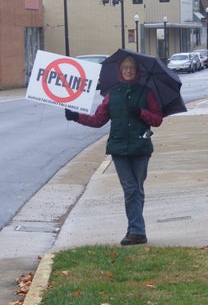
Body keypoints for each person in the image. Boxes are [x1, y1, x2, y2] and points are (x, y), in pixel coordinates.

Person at [64, 55, 163, 245]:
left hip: (141, 147)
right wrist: (76, 116)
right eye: (125, 67)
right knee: (131, 188)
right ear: (120, 70)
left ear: (137, 71)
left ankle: (135, 230)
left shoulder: (146, 93)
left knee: (137, 189)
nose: (128, 71)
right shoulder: (112, 94)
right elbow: (98, 120)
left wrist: (141, 112)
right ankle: (136, 231)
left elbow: (157, 120)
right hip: (119, 148)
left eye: (131, 67)